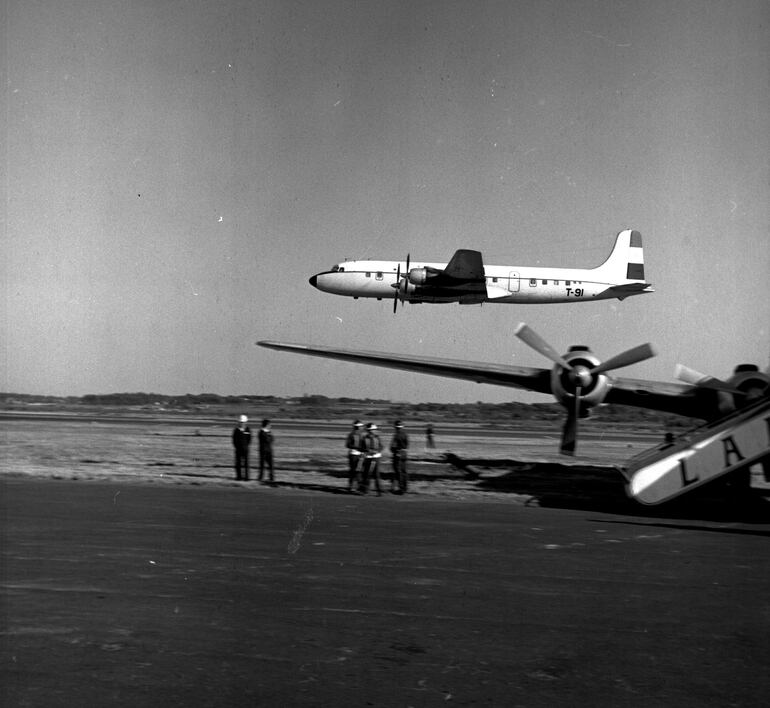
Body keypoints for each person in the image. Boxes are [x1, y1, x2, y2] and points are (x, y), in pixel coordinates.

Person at [360, 423, 383, 496]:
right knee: (366, 474)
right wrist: (367, 450)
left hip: (376, 457)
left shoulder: (377, 437)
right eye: (372, 430)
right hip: (368, 457)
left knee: (376, 475)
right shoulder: (364, 438)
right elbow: (361, 448)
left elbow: (381, 446)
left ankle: (379, 491)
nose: (374, 431)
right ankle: (366, 491)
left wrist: (377, 451)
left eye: (374, 430)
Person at [390, 420, 409, 494]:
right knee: (404, 471)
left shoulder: (396, 435)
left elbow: (392, 447)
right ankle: (405, 488)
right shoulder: (405, 434)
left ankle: (401, 489)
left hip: (398, 454)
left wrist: (394, 451)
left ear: (395, 427)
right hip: (404, 453)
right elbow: (407, 444)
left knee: (398, 472)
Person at [345, 420, 364, 493]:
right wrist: (357, 448)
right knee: (354, 471)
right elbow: (348, 445)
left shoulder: (362, 435)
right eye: (361, 426)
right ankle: (353, 487)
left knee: (358, 471)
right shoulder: (352, 434)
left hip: (360, 455)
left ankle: (355, 487)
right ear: (358, 427)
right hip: (353, 454)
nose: (362, 427)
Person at [231, 415, 252, 481]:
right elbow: (234, 440)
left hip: (245, 449)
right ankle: (239, 477)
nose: (242, 423)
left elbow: (249, 439)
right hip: (238, 449)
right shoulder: (236, 430)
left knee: (246, 464)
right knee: (238, 464)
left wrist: (246, 446)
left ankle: (247, 477)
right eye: (241, 422)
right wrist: (237, 447)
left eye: (243, 422)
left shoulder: (248, 430)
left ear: (246, 422)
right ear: (239, 422)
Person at [258, 419, 274, 483]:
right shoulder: (261, 432)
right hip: (263, 451)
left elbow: (272, 439)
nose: (270, 426)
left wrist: (269, 436)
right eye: (269, 425)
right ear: (266, 425)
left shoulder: (268, 432)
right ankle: (260, 478)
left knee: (271, 465)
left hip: (269, 450)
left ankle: (271, 478)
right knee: (262, 465)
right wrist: (269, 436)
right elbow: (267, 440)